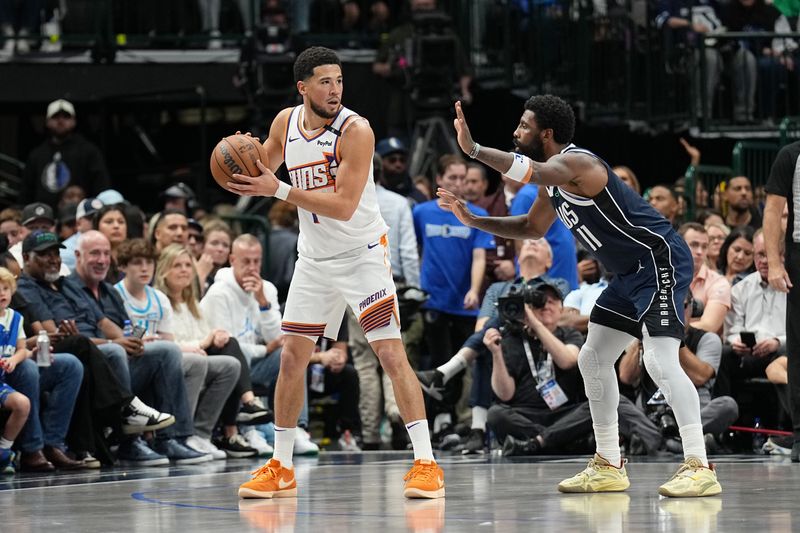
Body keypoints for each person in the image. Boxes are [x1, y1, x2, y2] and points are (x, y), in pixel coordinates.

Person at [438, 95, 720, 497]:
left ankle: (699, 465)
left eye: (523, 126)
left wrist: (475, 150)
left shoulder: (577, 164)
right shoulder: (553, 184)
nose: (516, 132)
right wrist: (474, 218)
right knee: (592, 357)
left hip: (659, 260)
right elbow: (532, 227)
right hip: (626, 275)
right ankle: (608, 463)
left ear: (546, 134)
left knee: (658, 358)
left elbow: (531, 170)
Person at [225, 46, 444, 500]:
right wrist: (237, 164)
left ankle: (426, 463)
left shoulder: (356, 130)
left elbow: (344, 206)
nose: (335, 90)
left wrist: (278, 188)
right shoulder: (285, 123)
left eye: (340, 81)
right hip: (315, 260)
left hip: (363, 253)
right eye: (325, 82)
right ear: (302, 87)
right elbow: (262, 168)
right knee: (291, 358)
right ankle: (281, 465)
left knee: (389, 354)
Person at [154, 244, 270, 458]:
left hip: (197, 356)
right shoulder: (159, 301)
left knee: (231, 362)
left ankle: (201, 434)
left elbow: (205, 335)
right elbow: (166, 344)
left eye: (188, 265)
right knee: (204, 360)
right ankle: (185, 434)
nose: (184, 270)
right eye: (177, 265)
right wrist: (203, 343)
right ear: (163, 271)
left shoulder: (192, 304)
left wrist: (215, 336)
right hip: (174, 360)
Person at [763, 140, 800, 462]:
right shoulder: (791, 154)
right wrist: (774, 263)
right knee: (799, 352)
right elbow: (774, 209)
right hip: (799, 252)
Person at [21, 99, 110, 207]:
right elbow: (26, 191)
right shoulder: (37, 155)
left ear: (74, 121)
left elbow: (101, 187)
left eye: (66, 117)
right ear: (47, 121)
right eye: (55, 117)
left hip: (80, 216)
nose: (60, 121)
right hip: (43, 218)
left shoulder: (89, 151)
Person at [0, 266, 31, 474]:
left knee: (22, 404)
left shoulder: (15, 318)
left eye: (5, 288)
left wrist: (13, 360)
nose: (2, 293)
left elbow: (23, 349)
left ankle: (3, 451)